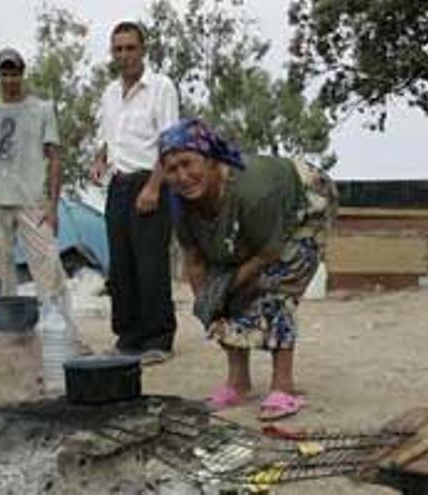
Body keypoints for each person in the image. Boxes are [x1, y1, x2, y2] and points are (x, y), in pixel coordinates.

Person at [158, 118, 336, 420]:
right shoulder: (179, 202)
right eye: (172, 169)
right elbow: (195, 258)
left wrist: (228, 287)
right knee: (221, 295)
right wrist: (208, 304)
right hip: (252, 221)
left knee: (273, 284)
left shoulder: (253, 192)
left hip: (305, 200)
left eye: (188, 163)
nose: (182, 176)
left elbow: (268, 253)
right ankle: (238, 382)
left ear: (212, 161)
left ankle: (283, 387)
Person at [89, 21, 179, 364]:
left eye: (130, 48)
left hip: (150, 181)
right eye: (118, 49)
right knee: (121, 264)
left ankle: (158, 338)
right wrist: (99, 161)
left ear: (143, 51)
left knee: (150, 263)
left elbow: (169, 144)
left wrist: (155, 187)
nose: (124, 55)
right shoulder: (110, 93)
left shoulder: (161, 88)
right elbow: (106, 137)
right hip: (119, 184)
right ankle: (128, 337)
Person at [0, 48, 72, 316]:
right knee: (1, 272)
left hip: (32, 200)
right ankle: (9, 335)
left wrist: (52, 205)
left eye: (14, 73)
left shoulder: (41, 109)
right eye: (4, 73)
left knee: (48, 263)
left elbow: (54, 158)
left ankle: (63, 330)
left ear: (22, 74)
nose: (10, 79)